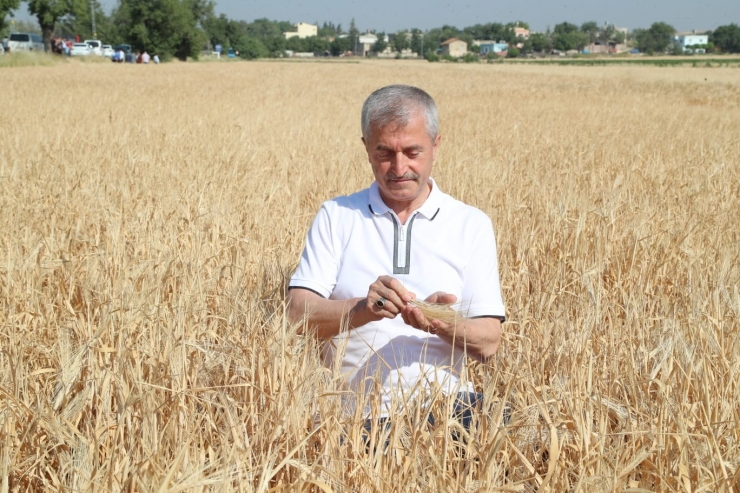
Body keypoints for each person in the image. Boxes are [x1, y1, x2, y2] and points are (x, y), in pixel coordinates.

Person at [287, 85, 506, 426]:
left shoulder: (470, 224)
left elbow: (489, 342)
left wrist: (440, 322)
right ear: (366, 148)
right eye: (385, 152)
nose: (399, 167)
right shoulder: (337, 215)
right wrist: (363, 309)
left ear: (436, 145)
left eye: (412, 152)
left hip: (448, 409)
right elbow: (296, 314)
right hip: (355, 417)